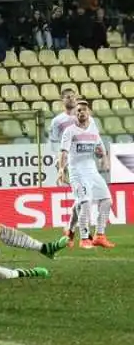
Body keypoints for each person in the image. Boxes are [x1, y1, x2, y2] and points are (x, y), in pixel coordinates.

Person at [58, 101, 115, 249]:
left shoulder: (93, 125)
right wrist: (61, 169)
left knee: (106, 200)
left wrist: (104, 158)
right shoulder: (70, 131)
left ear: (88, 111)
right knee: (85, 203)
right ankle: (84, 238)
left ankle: (99, 235)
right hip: (77, 172)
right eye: (77, 111)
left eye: (83, 110)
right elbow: (63, 152)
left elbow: (98, 142)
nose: (80, 113)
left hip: (92, 171)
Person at [49, 88, 98, 244]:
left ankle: (70, 229)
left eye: (73, 96)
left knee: (81, 198)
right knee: (83, 198)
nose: (71, 99)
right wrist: (60, 163)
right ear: (62, 100)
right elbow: (55, 143)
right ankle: (84, 232)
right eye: (67, 97)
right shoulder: (58, 121)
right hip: (71, 163)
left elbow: (94, 137)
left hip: (87, 163)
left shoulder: (87, 118)